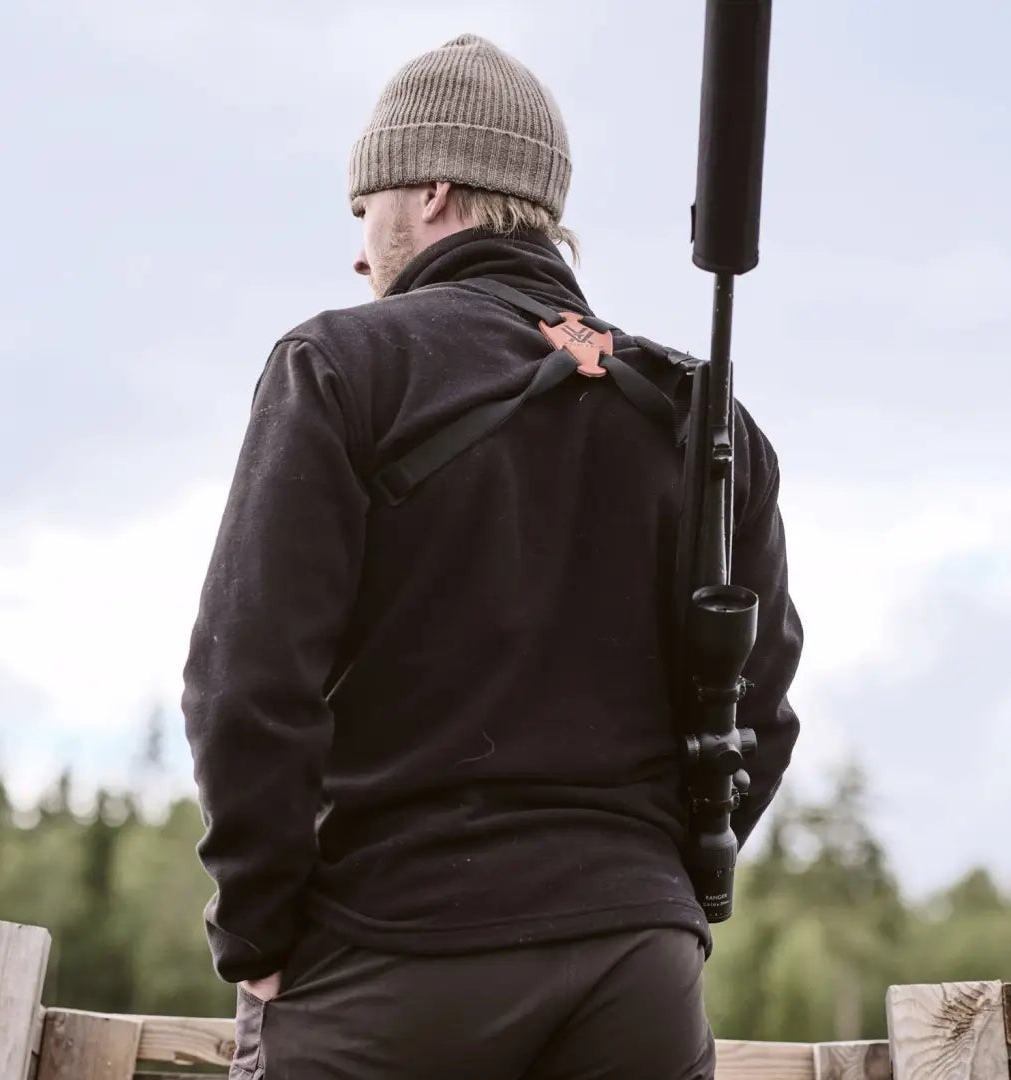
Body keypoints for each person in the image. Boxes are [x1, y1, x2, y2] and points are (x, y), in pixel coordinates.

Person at [182, 31, 803, 1080]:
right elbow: (760, 709)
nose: (357, 249)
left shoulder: (340, 366)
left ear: (430, 192)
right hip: (636, 981)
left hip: (392, 955)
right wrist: (647, 886)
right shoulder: (702, 419)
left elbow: (247, 683)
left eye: (363, 210)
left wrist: (258, 934)